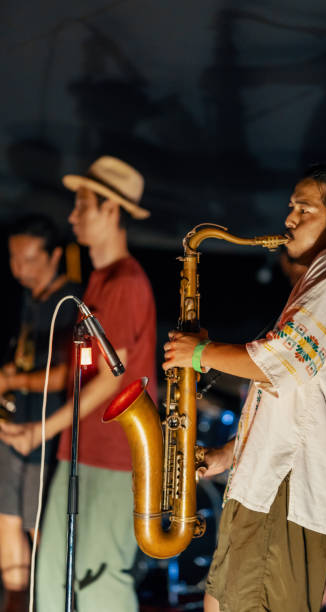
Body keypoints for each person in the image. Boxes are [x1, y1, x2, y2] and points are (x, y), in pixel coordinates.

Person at [162, 161, 326, 612]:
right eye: (291, 207)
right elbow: (295, 395)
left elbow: (281, 363)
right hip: (272, 490)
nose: (288, 220)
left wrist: (198, 354)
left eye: (303, 210)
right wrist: (231, 452)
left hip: (288, 494)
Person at [0, 156, 157, 611]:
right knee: (49, 582)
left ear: (111, 210)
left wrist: (37, 432)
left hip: (112, 460)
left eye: (82, 206)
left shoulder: (125, 281)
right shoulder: (98, 282)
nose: (72, 217)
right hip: (79, 452)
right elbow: (80, 373)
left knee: (99, 585)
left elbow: (113, 376)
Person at [0, 214, 82, 612]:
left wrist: (15, 382)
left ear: (53, 257)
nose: (19, 268)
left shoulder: (70, 301)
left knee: (39, 529)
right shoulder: (29, 301)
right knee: (6, 519)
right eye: (13, 258)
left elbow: (70, 375)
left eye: (28, 258)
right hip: (15, 427)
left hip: (48, 434)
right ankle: (15, 599)